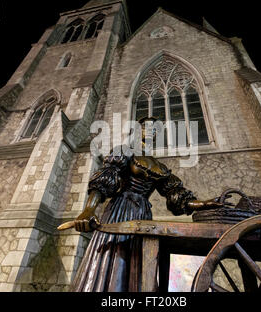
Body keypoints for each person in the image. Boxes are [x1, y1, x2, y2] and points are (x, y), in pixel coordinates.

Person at [59, 117, 219, 291]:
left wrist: (205, 204)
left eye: (156, 129)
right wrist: (89, 209)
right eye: (147, 127)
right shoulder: (124, 151)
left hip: (143, 215)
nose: (152, 131)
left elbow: (177, 196)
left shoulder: (159, 166)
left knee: (137, 260)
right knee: (115, 256)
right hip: (120, 210)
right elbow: (105, 178)